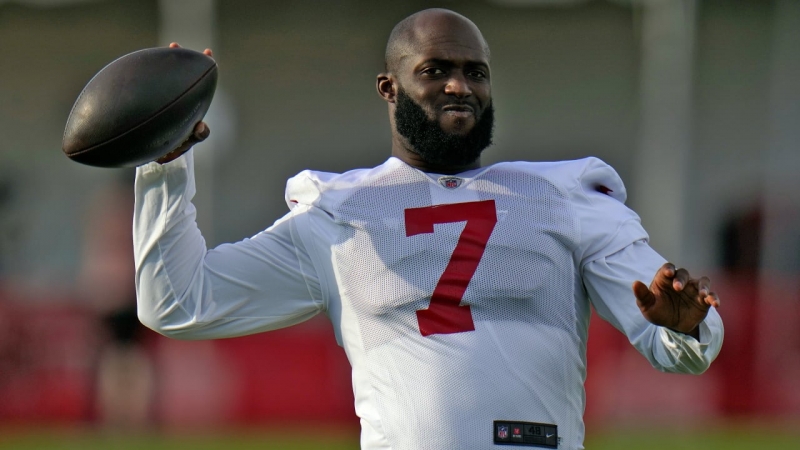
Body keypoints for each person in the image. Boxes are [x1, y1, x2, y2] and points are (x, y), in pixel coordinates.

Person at [134, 8, 723, 450]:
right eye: (435, 70)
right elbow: (180, 302)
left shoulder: (569, 197)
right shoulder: (338, 213)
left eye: (475, 72)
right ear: (389, 88)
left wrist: (688, 326)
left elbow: (681, 347)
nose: (458, 86)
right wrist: (165, 165)